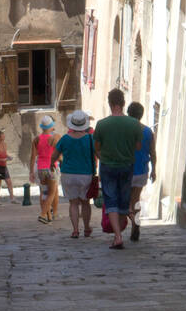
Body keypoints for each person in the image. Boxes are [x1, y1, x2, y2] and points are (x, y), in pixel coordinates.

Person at [93, 89, 143, 249]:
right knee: (123, 200)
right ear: (123, 103)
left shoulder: (101, 124)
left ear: (110, 103)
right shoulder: (134, 124)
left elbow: (97, 148)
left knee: (111, 199)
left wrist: (104, 158)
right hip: (127, 165)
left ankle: (118, 236)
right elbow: (138, 146)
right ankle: (119, 232)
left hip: (108, 166)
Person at [52, 110, 96, 237]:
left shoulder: (65, 139)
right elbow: (99, 154)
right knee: (85, 202)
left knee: (73, 203)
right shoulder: (90, 139)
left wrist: (50, 164)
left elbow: (55, 155)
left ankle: (75, 230)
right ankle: (87, 228)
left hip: (68, 174)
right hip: (86, 175)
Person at [126, 102, 157, 243]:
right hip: (142, 171)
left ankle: (131, 218)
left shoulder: (124, 130)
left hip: (126, 170)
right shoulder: (148, 132)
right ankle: (135, 223)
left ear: (128, 113)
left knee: (126, 201)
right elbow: (152, 152)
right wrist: (154, 170)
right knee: (136, 199)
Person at [32, 115, 58, 224]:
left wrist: (30, 171)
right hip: (51, 168)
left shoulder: (36, 139)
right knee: (52, 193)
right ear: (51, 126)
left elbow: (33, 156)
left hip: (40, 168)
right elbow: (58, 155)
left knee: (44, 193)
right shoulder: (54, 139)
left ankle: (48, 216)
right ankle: (43, 214)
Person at [0, 131, 16, 202]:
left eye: (4, 135)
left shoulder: (5, 144)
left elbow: (5, 154)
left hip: (4, 167)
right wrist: (1, 159)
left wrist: (9, 157)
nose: (4, 136)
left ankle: (12, 198)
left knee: (9, 182)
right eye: (2, 135)